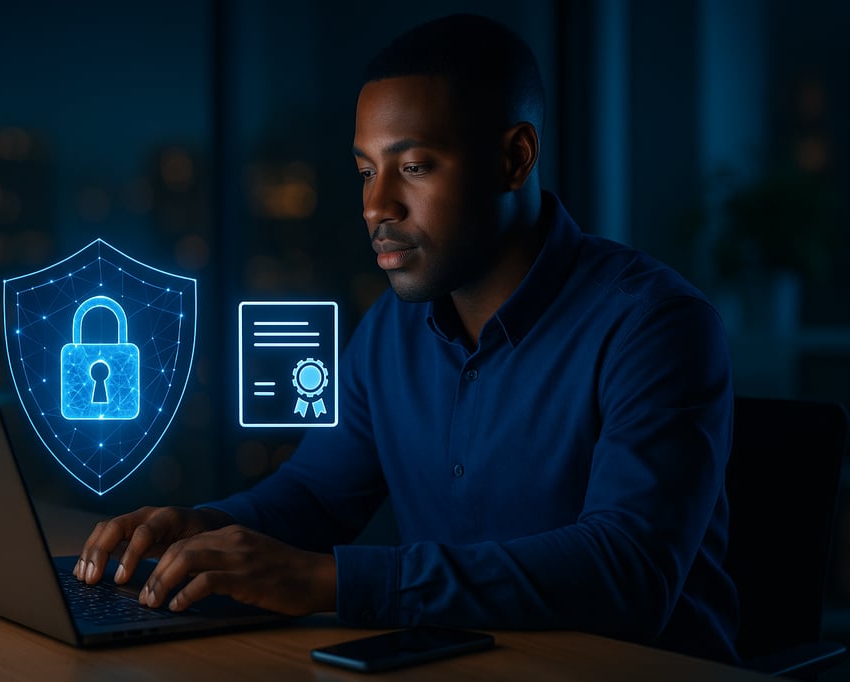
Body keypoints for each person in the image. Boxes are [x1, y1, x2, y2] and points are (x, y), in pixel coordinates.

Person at [74, 14, 740, 662]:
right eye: (367, 170)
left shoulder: (654, 323)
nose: (375, 205)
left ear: (514, 159)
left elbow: (628, 573)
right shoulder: (392, 328)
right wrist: (203, 526)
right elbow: (314, 496)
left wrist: (330, 583)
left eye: (414, 166)